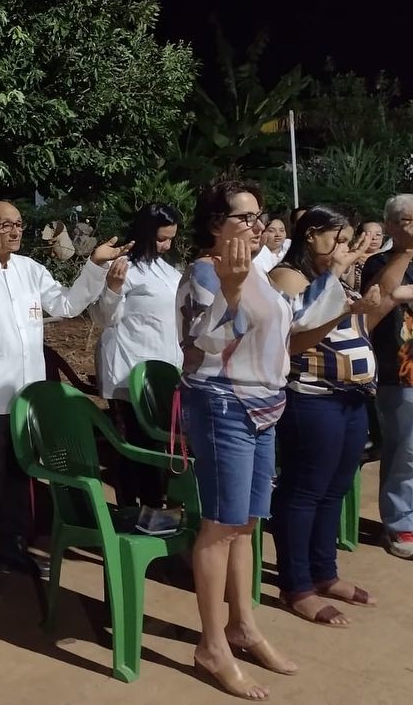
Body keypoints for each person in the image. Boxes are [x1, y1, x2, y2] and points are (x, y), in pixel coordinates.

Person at [178, 180, 352, 699]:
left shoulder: (255, 269)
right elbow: (198, 347)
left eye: (260, 216)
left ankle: (243, 626)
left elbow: (288, 326)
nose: (257, 226)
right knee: (220, 526)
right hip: (223, 404)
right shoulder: (205, 273)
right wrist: (229, 293)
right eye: (245, 217)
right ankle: (212, 645)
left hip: (264, 406)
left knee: (248, 523)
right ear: (216, 224)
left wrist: (337, 280)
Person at [0, 200, 128, 596]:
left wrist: (95, 265)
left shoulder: (31, 270)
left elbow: (67, 305)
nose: (15, 231)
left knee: (20, 478)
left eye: (19, 224)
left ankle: (12, 548)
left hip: (29, 399)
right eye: (5, 224)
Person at [269, 206, 405, 624]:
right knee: (304, 491)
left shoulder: (335, 278)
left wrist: (365, 301)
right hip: (312, 399)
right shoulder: (289, 277)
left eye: (348, 240)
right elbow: (293, 339)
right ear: (311, 235)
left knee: (334, 490)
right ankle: (297, 585)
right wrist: (344, 305)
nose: (344, 248)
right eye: (339, 239)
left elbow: (362, 323)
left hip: (350, 399)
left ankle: (324, 573)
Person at [92, 202, 183, 511]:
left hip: (164, 371)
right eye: (161, 239)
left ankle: (155, 509)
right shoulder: (122, 267)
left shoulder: (168, 270)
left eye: (171, 239)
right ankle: (133, 511)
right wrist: (113, 289)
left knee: (158, 446)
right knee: (132, 446)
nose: (166, 245)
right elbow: (104, 318)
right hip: (130, 371)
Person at [360, 193, 413, 559]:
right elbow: (380, 299)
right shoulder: (380, 262)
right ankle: (400, 523)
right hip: (400, 369)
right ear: (392, 225)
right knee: (405, 450)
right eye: (409, 220)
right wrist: (405, 253)